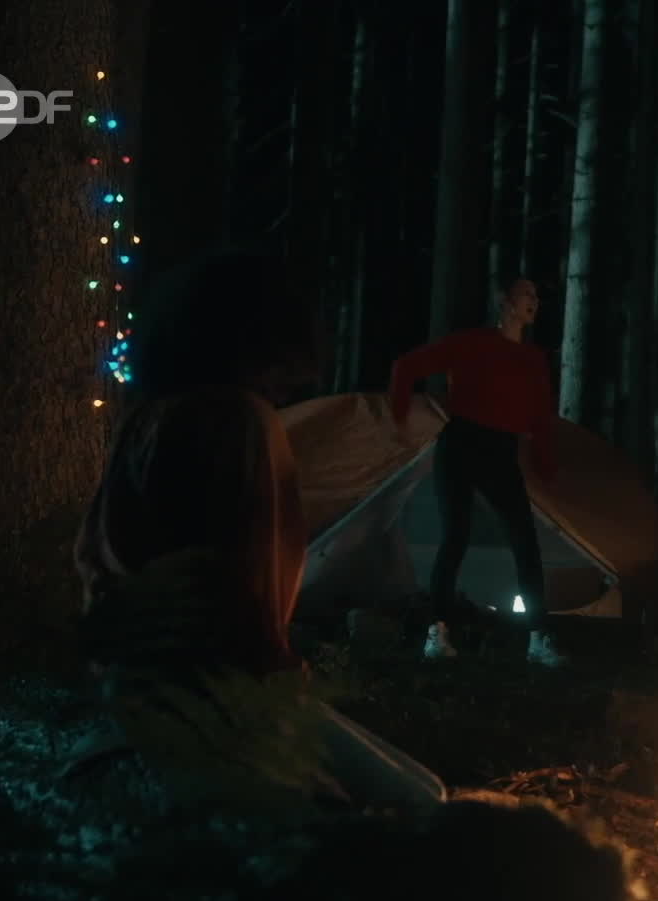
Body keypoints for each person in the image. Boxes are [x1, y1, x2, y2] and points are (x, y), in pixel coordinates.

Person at [73, 250, 445, 817]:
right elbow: (244, 580)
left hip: (136, 684)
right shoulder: (239, 422)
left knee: (409, 792)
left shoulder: (149, 416)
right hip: (217, 697)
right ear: (260, 337)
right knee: (416, 805)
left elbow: (96, 557)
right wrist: (278, 690)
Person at [387, 277, 565, 668]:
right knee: (456, 535)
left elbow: (540, 419)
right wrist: (398, 421)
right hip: (462, 443)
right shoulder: (471, 343)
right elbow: (406, 367)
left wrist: (546, 468)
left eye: (536, 296)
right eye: (526, 294)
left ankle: (538, 638)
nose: (534, 301)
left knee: (524, 540)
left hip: (501, 450)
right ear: (505, 301)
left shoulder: (533, 359)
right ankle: (437, 633)